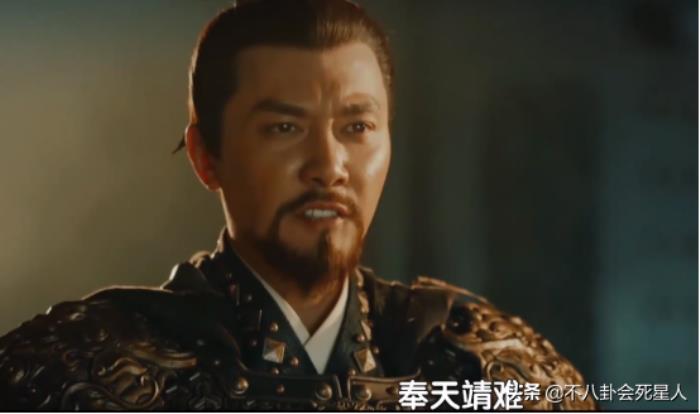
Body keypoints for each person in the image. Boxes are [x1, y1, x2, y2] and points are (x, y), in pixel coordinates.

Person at [0, 0, 596, 410]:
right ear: (206, 156)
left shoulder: (485, 366)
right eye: (284, 128)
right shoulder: (82, 370)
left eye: (357, 127)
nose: (329, 165)